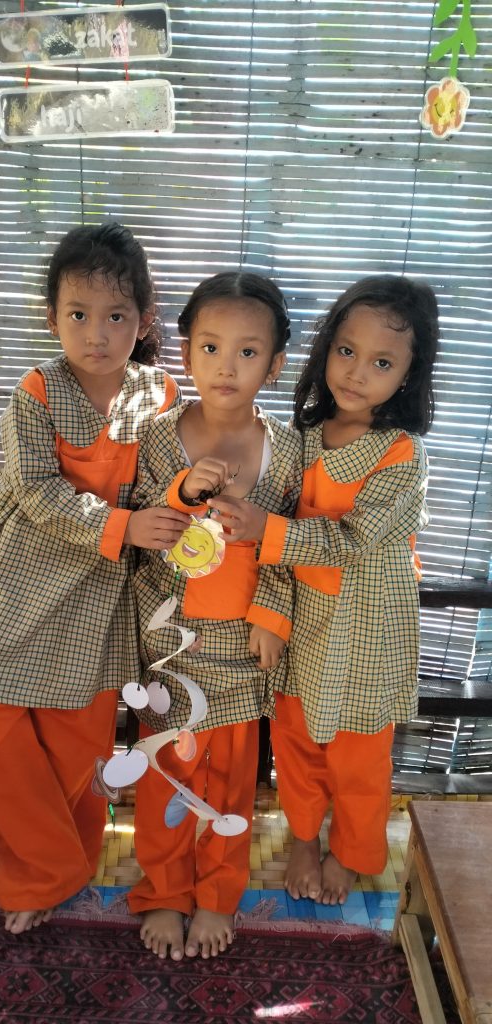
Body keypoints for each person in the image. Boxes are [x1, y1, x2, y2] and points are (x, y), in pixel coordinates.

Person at [0, 222, 189, 934]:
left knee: (78, 742)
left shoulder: (160, 394)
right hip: (14, 580)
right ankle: (48, 871)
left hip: (98, 595)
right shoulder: (37, 391)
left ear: (144, 319)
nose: (96, 334)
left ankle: (52, 871)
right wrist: (124, 526)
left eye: (116, 316)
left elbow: (168, 484)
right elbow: (35, 490)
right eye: (78, 314)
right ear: (52, 317)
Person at [210, 274, 439, 906]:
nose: (357, 372)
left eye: (382, 362)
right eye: (346, 351)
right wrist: (268, 615)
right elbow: (276, 550)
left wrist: (266, 528)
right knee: (297, 745)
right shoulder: (301, 442)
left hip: (367, 634)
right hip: (304, 627)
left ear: (409, 375)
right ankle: (306, 838)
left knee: (359, 760)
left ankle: (353, 850)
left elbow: (350, 540)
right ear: (325, 349)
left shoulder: (402, 454)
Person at [127, 271, 304, 960]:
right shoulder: (158, 438)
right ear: (186, 353)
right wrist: (182, 490)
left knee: (231, 784)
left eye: (247, 352)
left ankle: (217, 896)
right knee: (164, 778)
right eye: (210, 347)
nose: (226, 366)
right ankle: (165, 891)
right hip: (170, 646)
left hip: (239, 650)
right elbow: (141, 530)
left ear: (276, 364)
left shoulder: (288, 450)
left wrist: (272, 616)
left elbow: (293, 542)